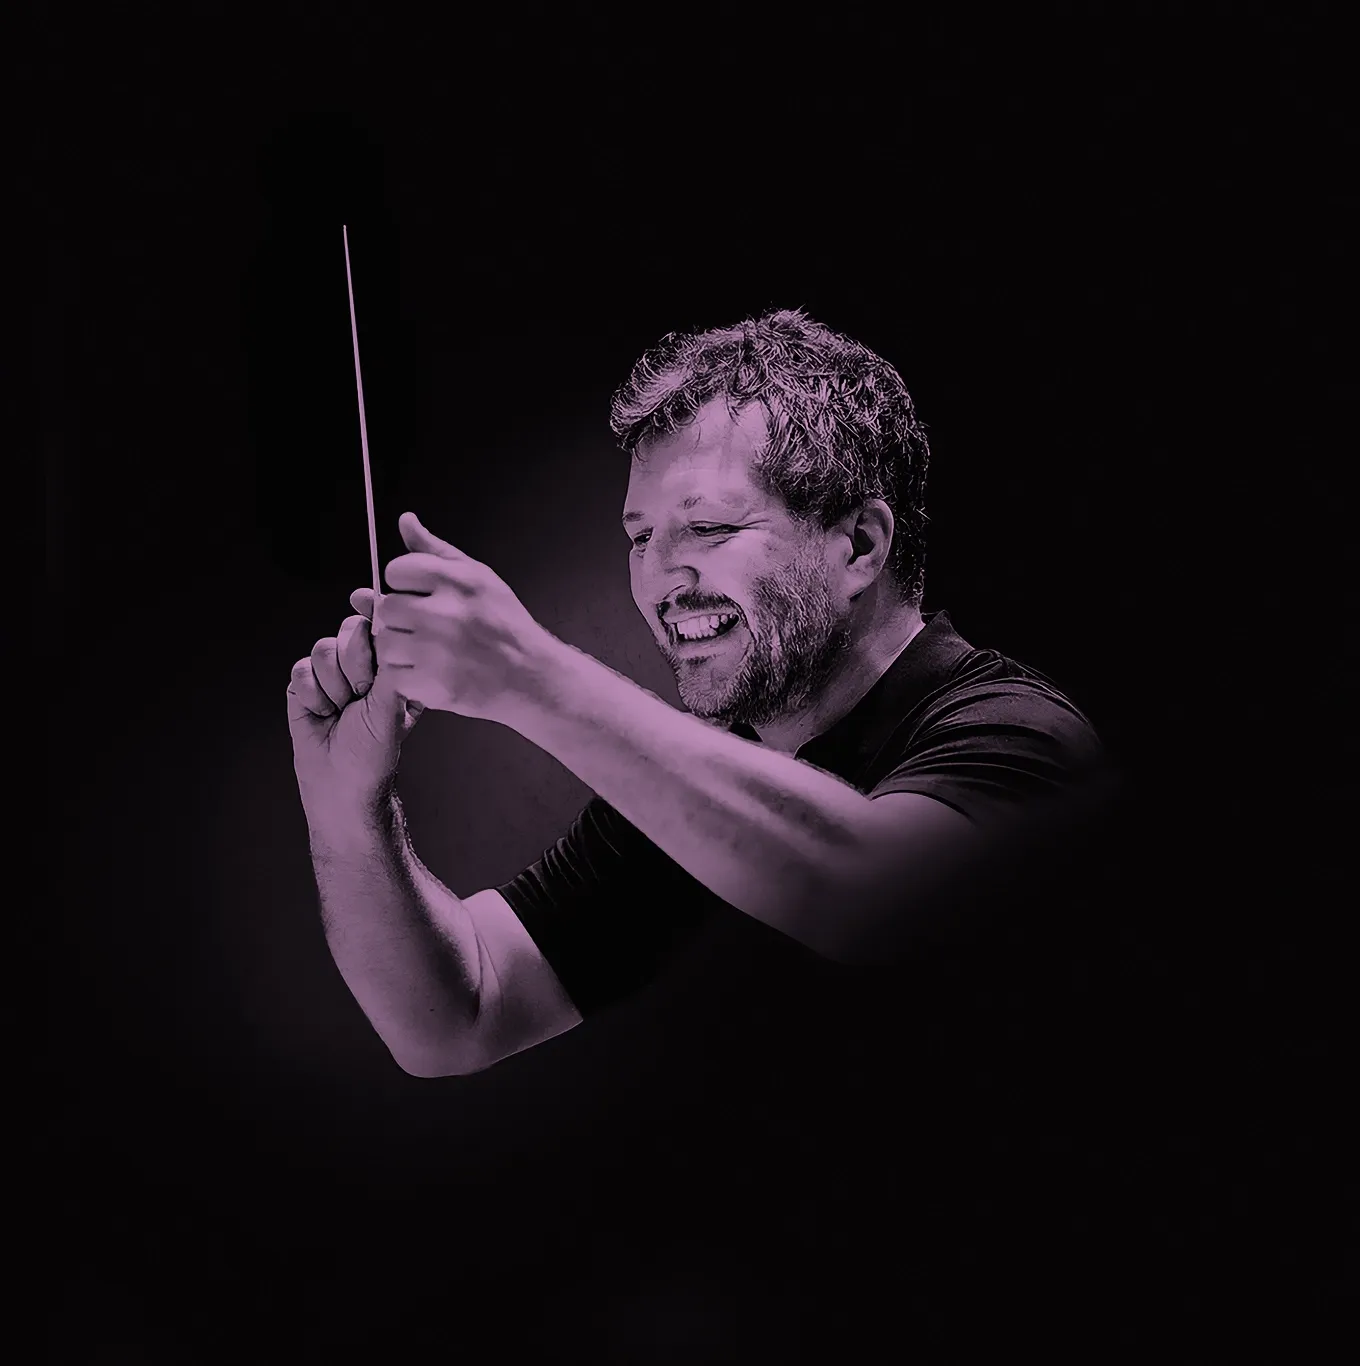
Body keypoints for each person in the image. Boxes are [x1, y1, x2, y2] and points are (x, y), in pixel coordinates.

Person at [286, 308, 1117, 1345]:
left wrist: (529, 676)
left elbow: (884, 894)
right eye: (641, 537)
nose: (661, 579)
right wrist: (345, 805)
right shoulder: (711, 772)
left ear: (859, 544)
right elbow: (457, 1011)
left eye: (710, 529)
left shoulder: (1020, 735)